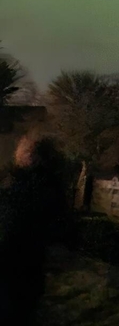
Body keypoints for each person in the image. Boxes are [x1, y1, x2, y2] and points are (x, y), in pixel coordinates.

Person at [0, 136, 74, 324]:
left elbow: (11, 227)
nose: (17, 152)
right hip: (29, 268)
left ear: (29, 157)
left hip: (13, 266)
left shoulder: (20, 187)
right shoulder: (51, 187)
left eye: (22, 149)